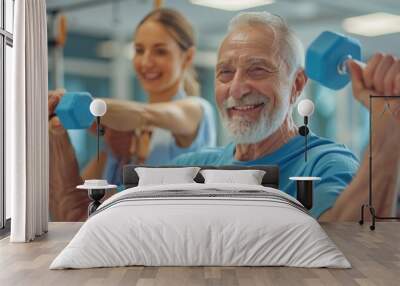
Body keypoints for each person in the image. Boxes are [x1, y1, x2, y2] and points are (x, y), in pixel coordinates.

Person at [173, 12, 400, 221]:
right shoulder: (193, 166)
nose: (236, 89)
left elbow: (352, 247)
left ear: (297, 84)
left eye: (258, 69)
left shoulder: (326, 164)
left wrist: (386, 142)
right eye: (225, 73)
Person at [49, 8, 216, 221]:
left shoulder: (196, 109)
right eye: (139, 50)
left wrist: (83, 107)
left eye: (160, 51)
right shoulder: (124, 126)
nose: (146, 62)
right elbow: (73, 207)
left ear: (188, 56)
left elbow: (144, 113)